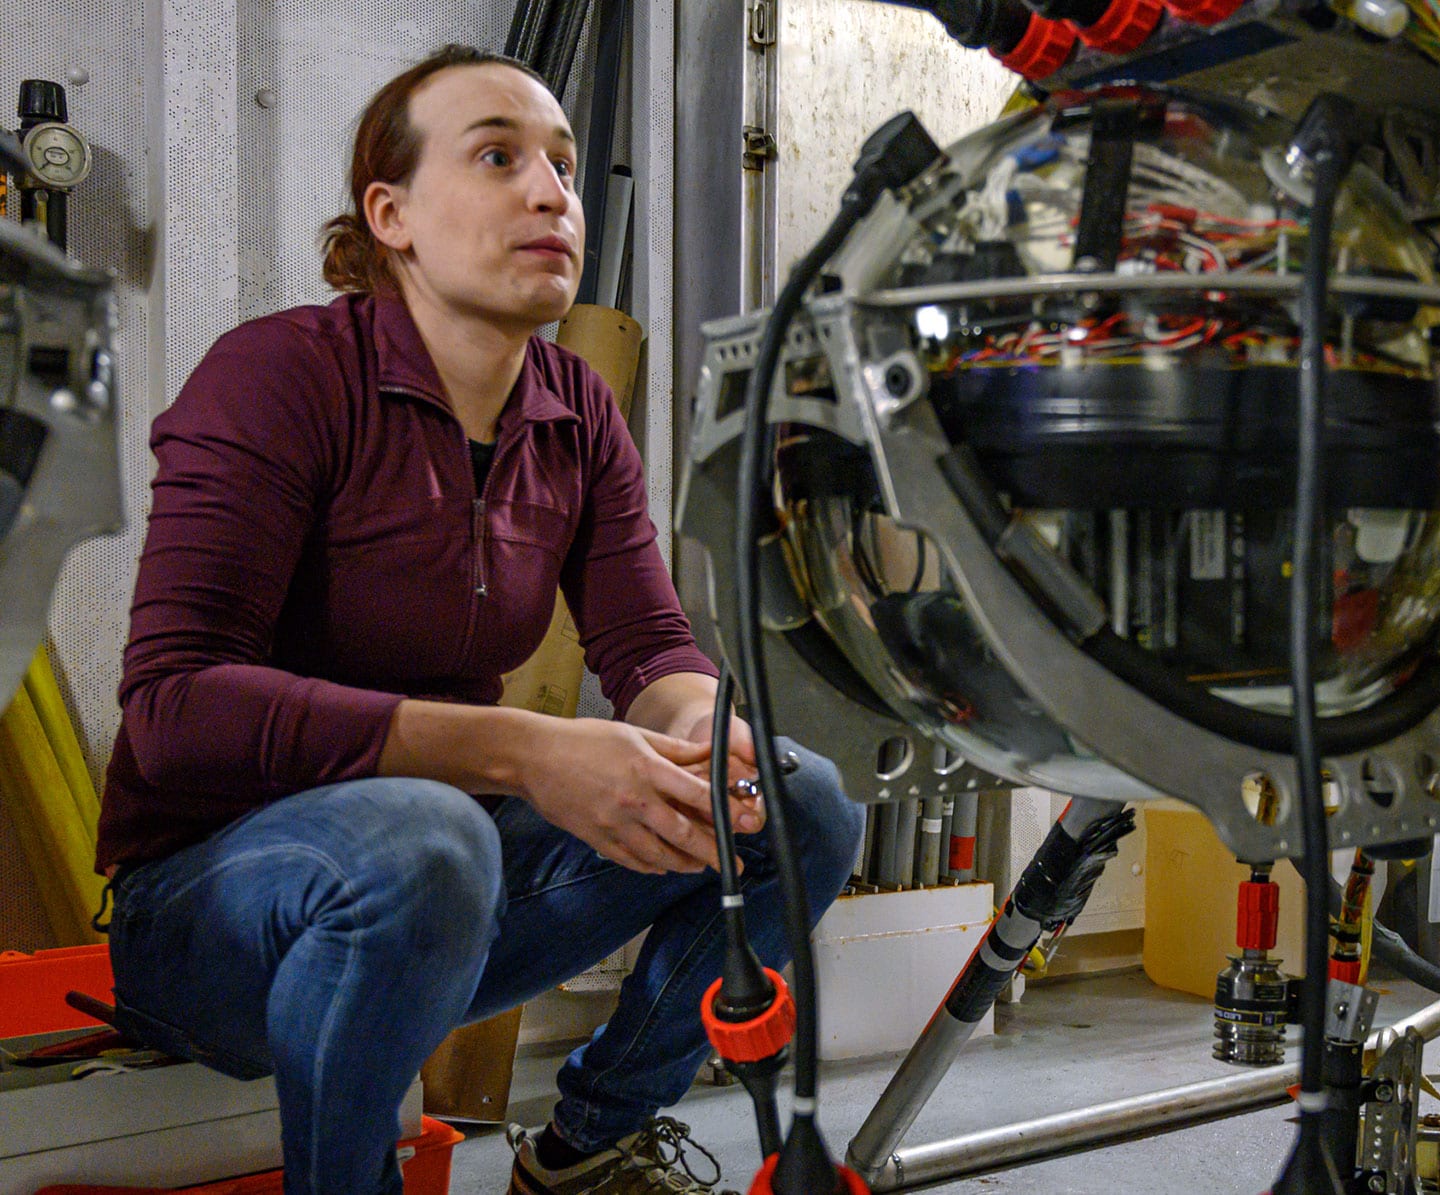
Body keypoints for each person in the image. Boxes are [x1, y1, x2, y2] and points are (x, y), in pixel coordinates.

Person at [94, 44, 864, 1195]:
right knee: (427, 838)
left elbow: (647, 646)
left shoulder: (576, 407)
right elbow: (172, 711)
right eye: (498, 157)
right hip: (215, 919)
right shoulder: (277, 378)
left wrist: (707, 730)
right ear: (390, 214)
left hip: (443, 891)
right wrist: (523, 750)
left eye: (559, 162)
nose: (553, 192)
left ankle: (587, 1148)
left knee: (798, 803)